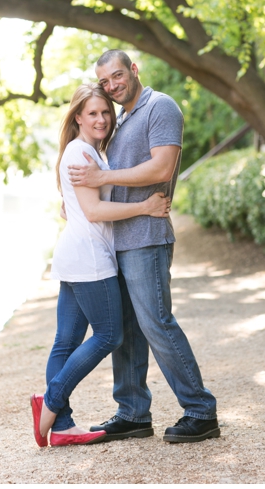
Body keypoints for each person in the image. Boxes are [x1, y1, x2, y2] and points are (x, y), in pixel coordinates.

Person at [69, 50, 220, 443]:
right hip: (118, 242)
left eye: (118, 75)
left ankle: (201, 411)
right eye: (105, 82)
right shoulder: (120, 121)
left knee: (156, 323)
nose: (112, 85)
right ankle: (133, 413)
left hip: (146, 239)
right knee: (128, 330)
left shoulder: (160, 107)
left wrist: (103, 174)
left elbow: (162, 168)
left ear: (134, 70)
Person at [31, 84, 171, 448]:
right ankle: (51, 401)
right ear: (78, 117)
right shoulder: (81, 153)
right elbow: (93, 212)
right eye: (92, 113)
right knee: (110, 335)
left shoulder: (87, 152)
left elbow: (81, 206)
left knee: (65, 341)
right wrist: (145, 207)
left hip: (76, 253)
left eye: (106, 112)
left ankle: (61, 425)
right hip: (90, 258)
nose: (102, 119)